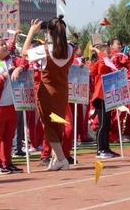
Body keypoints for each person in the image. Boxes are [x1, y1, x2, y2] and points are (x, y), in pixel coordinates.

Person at [22, 16, 73, 170]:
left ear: (49, 32)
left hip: (47, 92)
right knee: (57, 124)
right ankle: (56, 159)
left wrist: (31, 31)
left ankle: (61, 159)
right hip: (62, 91)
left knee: (49, 126)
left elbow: (24, 52)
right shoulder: (71, 48)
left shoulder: (45, 50)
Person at [0, 35, 26, 175]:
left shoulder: (11, 59)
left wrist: (19, 68)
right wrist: (5, 74)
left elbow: (25, 61)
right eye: (1, 44)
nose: (5, 46)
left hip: (12, 104)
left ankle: (6, 162)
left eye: (5, 43)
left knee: (9, 136)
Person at [89, 43, 120, 159]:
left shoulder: (109, 63)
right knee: (102, 124)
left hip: (108, 95)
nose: (109, 53)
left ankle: (106, 148)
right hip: (100, 95)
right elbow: (99, 66)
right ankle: (100, 149)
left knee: (107, 123)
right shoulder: (99, 63)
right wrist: (98, 51)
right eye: (107, 51)